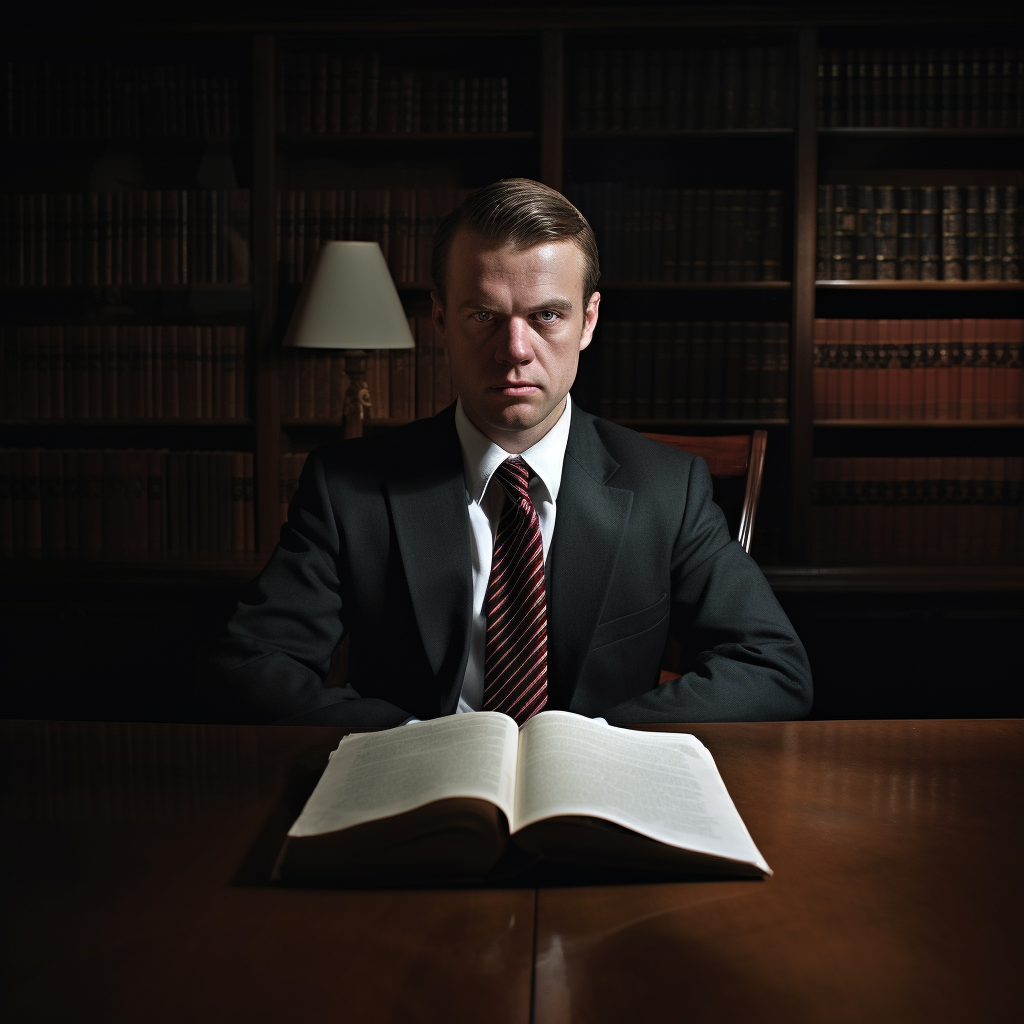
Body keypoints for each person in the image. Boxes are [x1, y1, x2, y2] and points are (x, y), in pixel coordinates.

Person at [206, 179, 811, 727]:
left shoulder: (668, 487)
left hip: (597, 802)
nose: (515, 349)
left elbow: (771, 668)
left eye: (547, 315)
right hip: (416, 800)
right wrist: (413, 743)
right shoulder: (348, 487)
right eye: (483, 316)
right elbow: (251, 665)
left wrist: (598, 741)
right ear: (440, 319)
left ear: (589, 321)